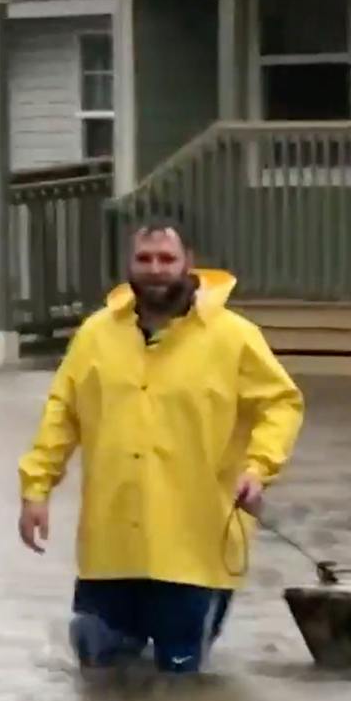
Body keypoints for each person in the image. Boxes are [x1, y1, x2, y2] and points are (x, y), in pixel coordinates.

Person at [16, 217, 305, 674]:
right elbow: (61, 413)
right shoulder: (94, 335)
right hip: (110, 549)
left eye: (166, 259)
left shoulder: (234, 337)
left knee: (180, 689)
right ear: (129, 265)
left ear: (189, 262)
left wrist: (258, 468)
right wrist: (36, 489)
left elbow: (282, 405)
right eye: (144, 259)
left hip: (196, 548)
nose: (155, 269)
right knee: (99, 681)